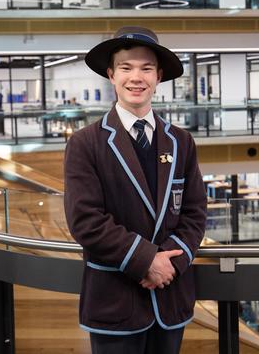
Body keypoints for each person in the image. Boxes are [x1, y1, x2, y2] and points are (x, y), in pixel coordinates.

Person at [64, 26, 207, 354]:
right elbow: (85, 221)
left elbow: (196, 213)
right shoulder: (86, 143)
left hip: (169, 298)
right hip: (115, 300)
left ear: (158, 77)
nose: (136, 77)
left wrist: (170, 263)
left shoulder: (181, 141)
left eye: (146, 68)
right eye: (126, 68)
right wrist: (146, 261)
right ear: (111, 75)